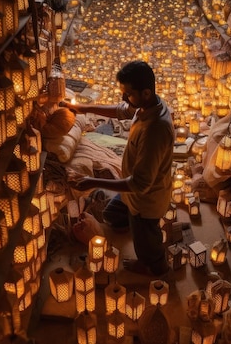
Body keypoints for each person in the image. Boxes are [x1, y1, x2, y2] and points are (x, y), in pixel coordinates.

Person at [61, 60, 174, 277]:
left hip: (146, 199)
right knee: (112, 214)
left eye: (128, 93)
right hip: (132, 190)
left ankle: (152, 266)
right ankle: (132, 224)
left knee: (147, 244)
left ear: (146, 93)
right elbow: (121, 110)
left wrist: (93, 181)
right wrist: (82, 108)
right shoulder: (147, 105)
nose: (123, 98)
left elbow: (140, 184)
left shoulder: (155, 131)